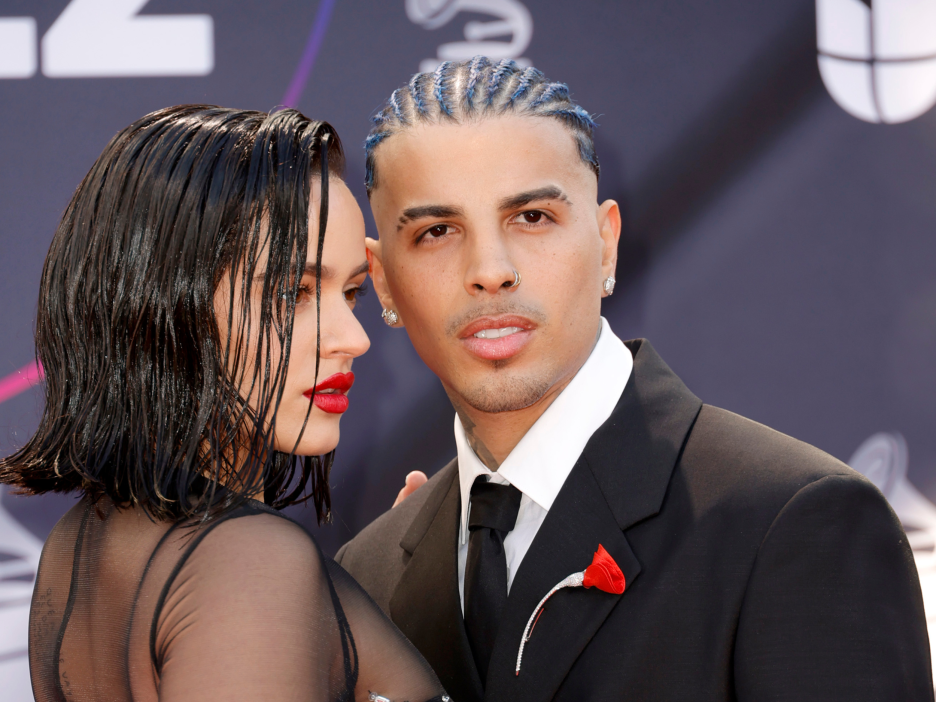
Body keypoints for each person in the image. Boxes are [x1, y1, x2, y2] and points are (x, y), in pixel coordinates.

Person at [336, 57, 934, 701]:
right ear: (385, 281)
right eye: (438, 231)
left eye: (532, 217)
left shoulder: (793, 523)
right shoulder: (367, 574)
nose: (491, 269)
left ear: (607, 242)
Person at [0, 105, 448, 702]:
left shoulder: (88, 537)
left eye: (351, 294)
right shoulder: (247, 560)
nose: (355, 338)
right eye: (294, 294)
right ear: (161, 306)